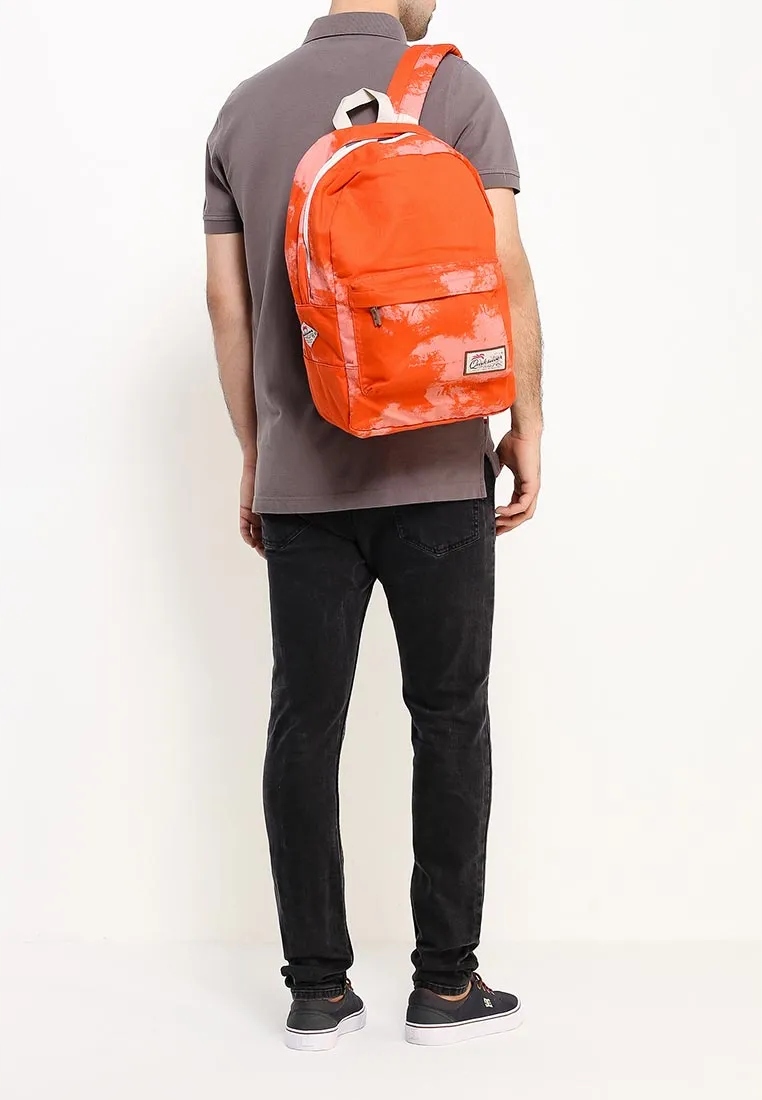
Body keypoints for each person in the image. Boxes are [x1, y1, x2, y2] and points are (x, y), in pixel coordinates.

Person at [204, 0, 542, 1050]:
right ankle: (446, 986)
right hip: (439, 465)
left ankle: (317, 990)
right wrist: (524, 422)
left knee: (304, 725)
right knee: (449, 716)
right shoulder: (454, 88)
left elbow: (226, 304)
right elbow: (503, 267)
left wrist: (258, 451)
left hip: (303, 482)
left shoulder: (244, 111)